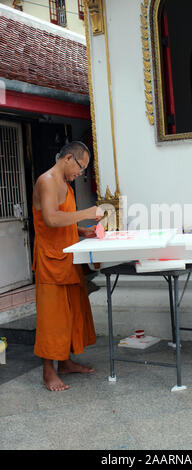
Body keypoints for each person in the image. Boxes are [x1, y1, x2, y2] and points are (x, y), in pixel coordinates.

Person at [32, 141, 103, 391]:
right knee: (52, 319)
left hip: (68, 257)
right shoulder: (48, 180)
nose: (80, 174)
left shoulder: (65, 184)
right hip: (50, 260)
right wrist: (86, 213)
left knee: (71, 314)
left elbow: (64, 221)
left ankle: (65, 363)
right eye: (81, 167)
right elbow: (51, 218)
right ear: (69, 158)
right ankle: (48, 371)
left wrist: (83, 231)